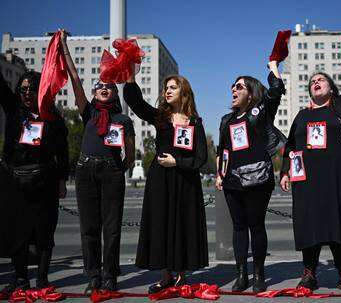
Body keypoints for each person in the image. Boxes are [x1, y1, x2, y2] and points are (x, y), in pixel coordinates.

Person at [279, 34, 341, 295]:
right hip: (306, 181)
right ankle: (309, 274)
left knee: (337, 222)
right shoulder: (302, 115)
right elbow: (290, 146)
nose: (316, 83)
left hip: (336, 178)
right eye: (312, 82)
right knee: (309, 224)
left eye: (321, 80)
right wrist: (285, 172)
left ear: (331, 88)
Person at [60, 30, 136, 294]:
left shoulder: (124, 120)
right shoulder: (89, 111)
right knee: (89, 227)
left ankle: (110, 274)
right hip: (85, 171)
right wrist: (65, 49)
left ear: (115, 94)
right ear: (94, 93)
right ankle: (93, 274)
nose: (104, 88)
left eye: (109, 87)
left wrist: (117, 168)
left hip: (112, 173)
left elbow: (131, 154)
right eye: (100, 86)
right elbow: (75, 80)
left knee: (112, 228)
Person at [124, 73, 208, 294]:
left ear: (184, 92)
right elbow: (136, 103)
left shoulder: (195, 122)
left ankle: (181, 273)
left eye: (173, 87)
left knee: (182, 224)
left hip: (185, 182)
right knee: (162, 224)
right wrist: (131, 78)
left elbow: (201, 158)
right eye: (166, 88)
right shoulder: (160, 116)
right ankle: (165, 275)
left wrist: (177, 162)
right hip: (160, 180)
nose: (167, 91)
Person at [215, 61, 285, 292]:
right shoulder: (226, 120)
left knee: (256, 225)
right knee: (238, 227)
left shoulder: (260, 112)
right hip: (232, 180)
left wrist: (273, 67)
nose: (234, 90)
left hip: (258, 178)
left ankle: (259, 275)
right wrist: (219, 175)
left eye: (240, 87)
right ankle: (241, 274)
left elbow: (275, 92)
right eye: (233, 87)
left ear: (251, 93)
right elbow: (222, 151)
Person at [0, 71, 68, 292]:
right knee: (18, 232)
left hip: (44, 181)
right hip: (15, 181)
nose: (27, 93)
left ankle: (42, 279)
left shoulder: (52, 117)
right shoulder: (13, 108)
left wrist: (62, 180)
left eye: (31, 89)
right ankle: (20, 279)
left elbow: (63, 152)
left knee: (44, 233)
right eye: (23, 89)